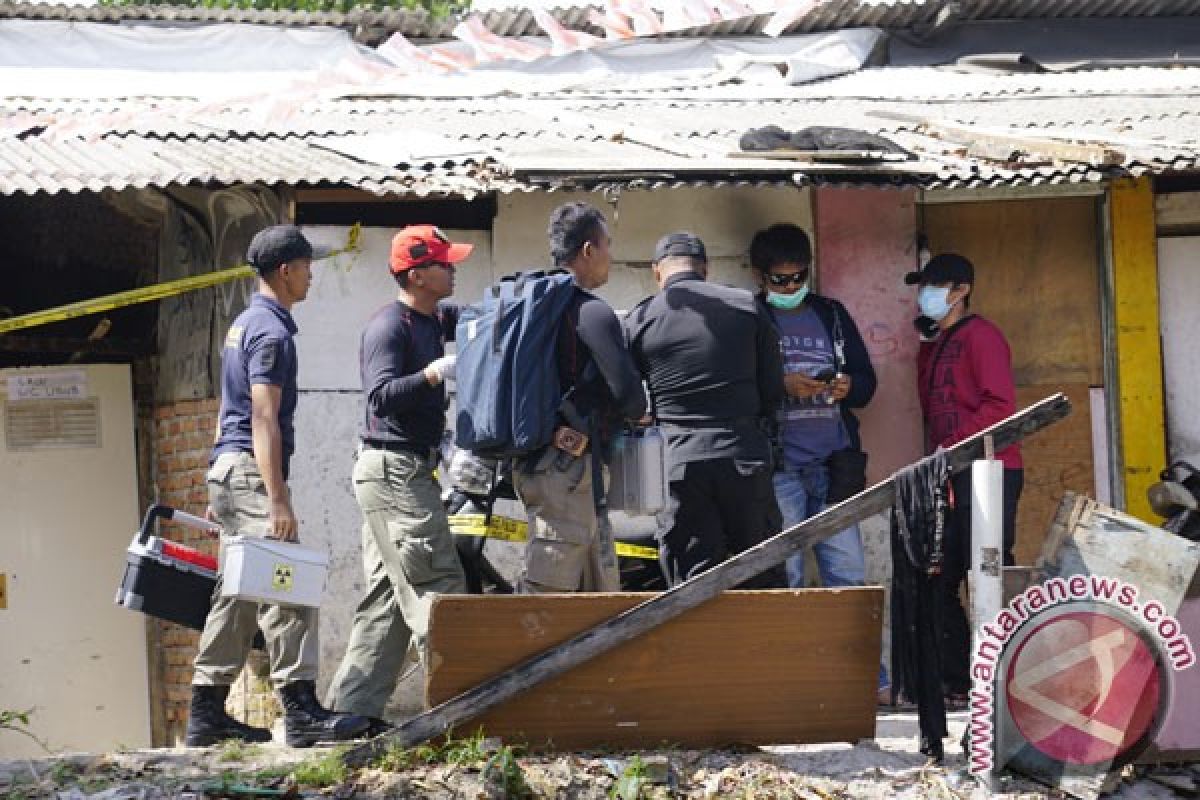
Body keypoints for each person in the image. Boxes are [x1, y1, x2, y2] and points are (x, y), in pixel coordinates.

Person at [187, 224, 369, 748]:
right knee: (286, 579)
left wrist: (225, 479)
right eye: (307, 266)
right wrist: (277, 498)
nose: (312, 276)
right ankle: (301, 707)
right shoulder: (270, 333)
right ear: (286, 270)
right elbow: (263, 417)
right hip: (249, 469)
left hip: (230, 467)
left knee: (239, 591)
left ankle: (205, 712)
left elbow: (233, 409)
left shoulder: (244, 323)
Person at [325, 225, 471, 728]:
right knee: (438, 584)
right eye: (444, 263)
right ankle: (467, 710)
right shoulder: (390, 327)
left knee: (387, 594)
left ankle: (352, 714)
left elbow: (481, 321)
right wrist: (433, 374)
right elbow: (380, 396)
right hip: (393, 469)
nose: (453, 269)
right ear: (417, 274)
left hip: (405, 467)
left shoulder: (435, 318)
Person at [748, 223, 890, 701]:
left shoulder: (831, 316)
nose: (789, 288)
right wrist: (780, 386)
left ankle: (867, 684)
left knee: (846, 574)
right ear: (760, 276)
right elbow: (740, 392)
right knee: (785, 575)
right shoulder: (751, 318)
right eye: (779, 280)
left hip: (833, 467)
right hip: (781, 468)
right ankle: (792, 685)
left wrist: (849, 386)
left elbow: (868, 384)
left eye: (797, 278)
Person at [623, 232, 786, 588]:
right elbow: (773, 389)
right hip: (744, 455)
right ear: (705, 269)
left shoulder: (641, 317)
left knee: (691, 581)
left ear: (657, 272)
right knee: (760, 570)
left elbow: (629, 398)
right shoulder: (745, 306)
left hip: (679, 462)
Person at [907, 252, 1023, 708]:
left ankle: (1003, 680)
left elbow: (999, 406)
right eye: (924, 287)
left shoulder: (983, 336)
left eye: (936, 286)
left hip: (989, 471)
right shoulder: (934, 343)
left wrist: (953, 445)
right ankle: (960, 681)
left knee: (988, 575)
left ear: (961, 291)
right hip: (948, 473)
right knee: (941, 578)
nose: (926, 294)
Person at [515, 202, 647, 593]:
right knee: (549, 594)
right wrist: (637, 415)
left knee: (595, 591)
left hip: (539, 464)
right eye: (607, 245)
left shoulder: (530, 305)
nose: (611, 255)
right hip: (568, 470)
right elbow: (630, 396)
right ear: (589, 251)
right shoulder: (590, 312)